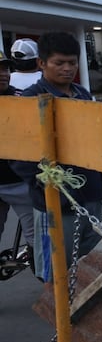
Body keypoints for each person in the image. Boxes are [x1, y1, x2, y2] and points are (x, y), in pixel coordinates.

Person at [10, 32, 102, 282]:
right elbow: (20, 159)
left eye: (72, 62)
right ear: (42, 64)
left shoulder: (83, 95)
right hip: (55, 203)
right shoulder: (29, 101)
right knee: (58, 273)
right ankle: (61, 319)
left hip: (91, 196)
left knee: (94, 265)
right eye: (59, 63)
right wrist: (46, 180)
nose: (67, 69)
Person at [0, 50, 35, 262]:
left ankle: (50, 288)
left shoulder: (22, 100)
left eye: (4, 68)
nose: (3, 74)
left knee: (38, 243)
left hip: (21, 184)